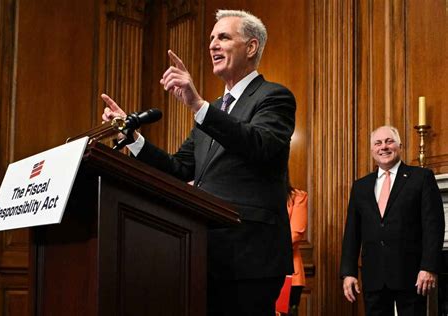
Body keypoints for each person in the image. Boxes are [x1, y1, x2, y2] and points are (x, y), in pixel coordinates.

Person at [101, 9, 296, 316]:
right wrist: (133, 138)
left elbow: (261, 146)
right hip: (203, 250)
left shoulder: (274, 97)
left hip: (249, 255)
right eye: (211, 39)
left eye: (224, 37)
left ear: (251, 47)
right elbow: (179, 169)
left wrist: (198, 105)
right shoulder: (214, 110)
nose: (213, 45)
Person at [340, 125, 445, 316]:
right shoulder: (360, 186)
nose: (384, 147)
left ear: (400, 145)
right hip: (374, 275)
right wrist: (349, 272)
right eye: (378, 143)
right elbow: (352, 232)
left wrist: (428, 267)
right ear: (372, 150)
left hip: (412, 275)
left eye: (389, 141)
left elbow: (434, 226)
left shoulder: (421, 178)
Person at [287, 185, 308, 316]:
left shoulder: (297, 196)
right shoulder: (255, 194)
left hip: (289, 275)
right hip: (255, 272)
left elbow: (294, 235)